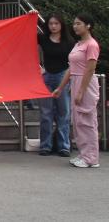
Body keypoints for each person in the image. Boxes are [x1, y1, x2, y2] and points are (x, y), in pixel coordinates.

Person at [53, 14, 100, 168]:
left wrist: (81, 91)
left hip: (86, 83)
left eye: (79, 23)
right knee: (78, 121)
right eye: (74, 24)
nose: (75, 26)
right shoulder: (78, 44)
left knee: (87, 121)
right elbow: (71, 68)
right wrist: (60, 87)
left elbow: (90, 69)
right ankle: (83, 154)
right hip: (76, 81)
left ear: (88, 26)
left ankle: (91, 158)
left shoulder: (91, 45)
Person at [36, 13, 72, 157]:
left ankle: (64, 146)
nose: (53, 26)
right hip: (46, 76)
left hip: (63, 76)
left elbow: (74, 62)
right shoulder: (43, 38)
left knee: (64, 112)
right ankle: (45, 145)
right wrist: (32, 16)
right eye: (51, 23)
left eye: (56, 23)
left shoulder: (69, 42)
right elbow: (25, 36)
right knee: (46, 113)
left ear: (61, 25)